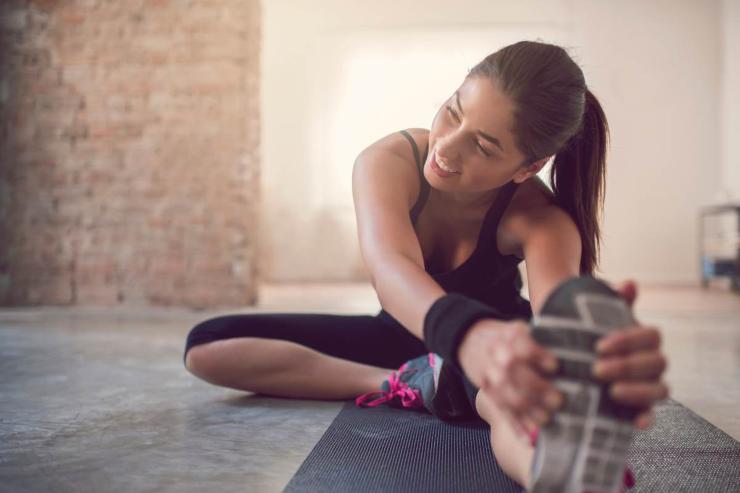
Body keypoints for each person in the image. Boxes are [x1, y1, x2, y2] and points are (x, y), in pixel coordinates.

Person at [183, 41, 669, 491]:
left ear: (527, 167)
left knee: (503, 398)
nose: (446, 148)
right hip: (405, 339)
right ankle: (411, 382)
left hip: (498, 346)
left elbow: (557, 316)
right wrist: (463, 339)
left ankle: (563, 475)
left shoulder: (543, 220)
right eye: (452, 112)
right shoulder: (387, 160)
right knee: (206, 348)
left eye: (482, 147)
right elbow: (390, 268)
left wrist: (579, 359)